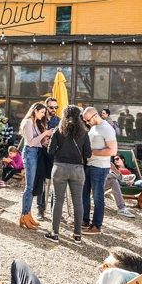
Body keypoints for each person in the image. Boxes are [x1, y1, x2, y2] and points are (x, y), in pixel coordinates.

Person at [0, 247, 142, 284]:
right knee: (19, 264)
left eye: (106, 266)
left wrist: (134, 276)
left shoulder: (112, 280)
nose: (100, 269)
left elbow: (115, 275)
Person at [43, 105, 91, 244]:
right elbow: (88, 153)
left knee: (58, 200)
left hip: (59, 167)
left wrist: (60, 151)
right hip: (77, 169)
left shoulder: (58, 131)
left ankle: (55, 233)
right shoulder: (84, 132)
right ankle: (77, 235)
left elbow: (50, 151)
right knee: (78, 202)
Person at [82, 106, 118, 234]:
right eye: (85, 121)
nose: (87, 123)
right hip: (89, 165)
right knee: (84, 193)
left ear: (95, 115)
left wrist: (91, 152)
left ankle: (96, 225)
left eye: (88, 120)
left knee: (98, 197)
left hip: (100, 167)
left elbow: (112, 151)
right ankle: (84, 219)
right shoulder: (94, 127)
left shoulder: (107, 129)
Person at [19, 102, 50, 229]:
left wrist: (44, 139)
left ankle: (28, 214)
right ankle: (24, 215)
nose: (43, 115)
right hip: (30, 153)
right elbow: (31, 142)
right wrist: (45, 134)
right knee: (29, 186)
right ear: (35, 110)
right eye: (42, 112)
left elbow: (36, 142)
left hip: (35, 153)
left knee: (32, 186)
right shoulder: (27, 122)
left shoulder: (34, 123)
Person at [35, 97, 59, 220]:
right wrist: (42, 140)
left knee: (55, 182)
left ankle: (54, 210)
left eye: (56, 107)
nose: (54, 109)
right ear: (46, 107)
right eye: (51, 107)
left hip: (54, 155)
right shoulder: (39, 119)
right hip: (41, 153)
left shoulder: (60, 121)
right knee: (41, 182)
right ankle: (40, 209)